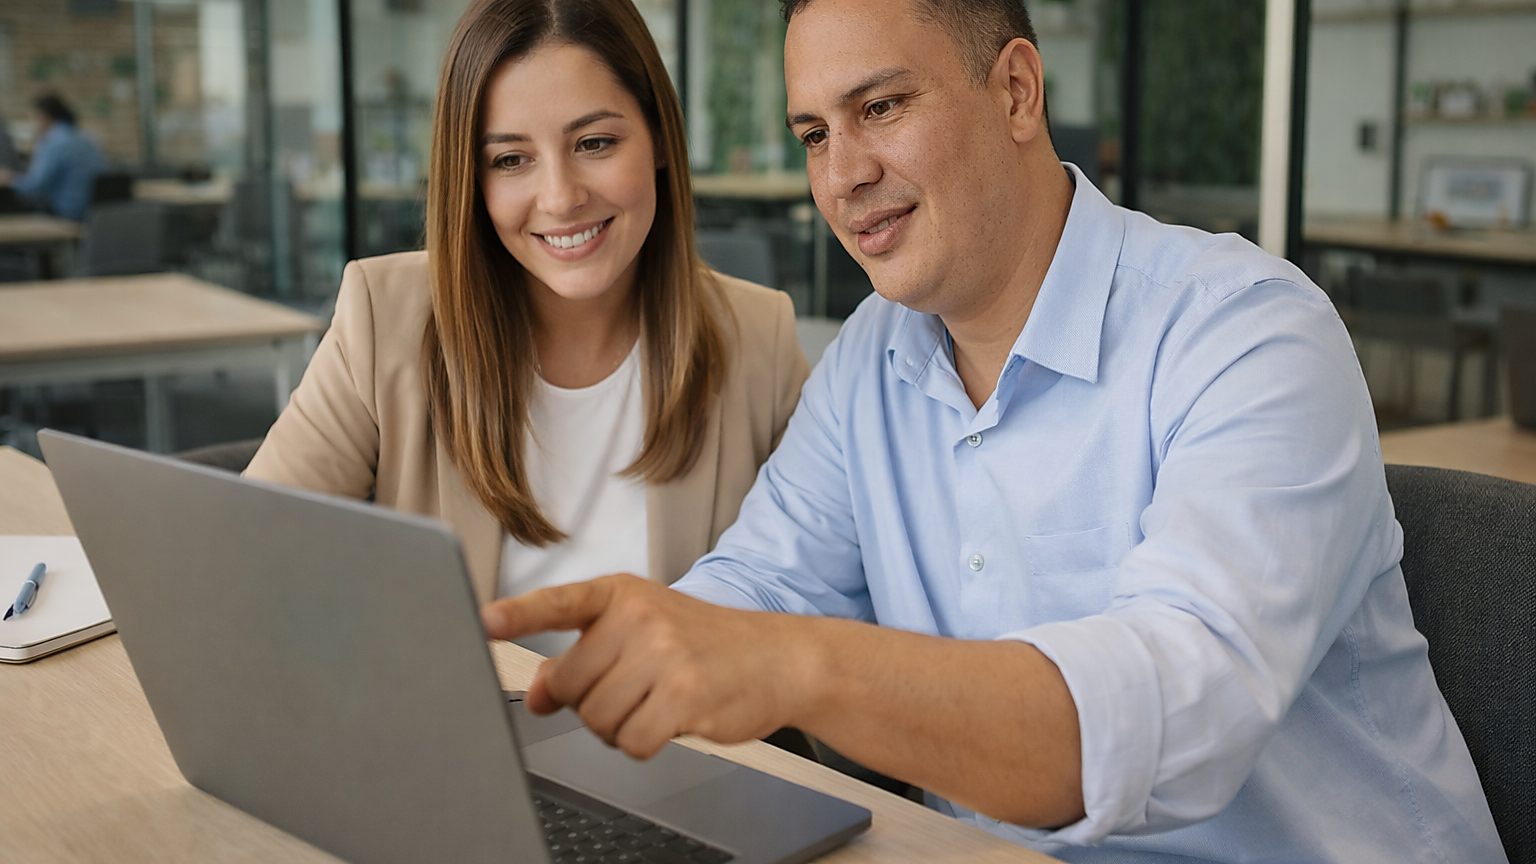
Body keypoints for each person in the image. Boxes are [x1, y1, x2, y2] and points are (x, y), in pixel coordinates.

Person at [479, 0, 1506, 860]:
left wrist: (797, 665)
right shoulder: (870, 364)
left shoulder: (1244, 331)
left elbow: (1180, 717)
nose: (841, 177)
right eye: (814, 134)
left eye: (879, 107)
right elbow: (751, 592)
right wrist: (585, 685)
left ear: (1016, 90)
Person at [245, 0, 808, 656]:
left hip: (672, 745)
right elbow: (251, 555)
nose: (561, 196)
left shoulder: (757, 336)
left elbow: (814, 605)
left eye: (595, 143)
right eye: (511, 160)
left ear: (658, 139)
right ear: (472, 179)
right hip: (456, 739)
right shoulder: (385, 318)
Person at [0, 94, 104, 220]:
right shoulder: (85, 138)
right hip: (92, 210)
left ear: (42, 117)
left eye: (33, 118)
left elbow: (35, 186)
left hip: (65, 211)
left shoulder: (53, 141)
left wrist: (10, 180)